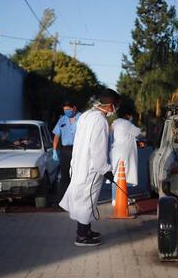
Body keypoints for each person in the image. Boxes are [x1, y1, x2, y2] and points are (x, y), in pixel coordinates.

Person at [59, 89, 120, 247]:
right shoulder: (100, 120)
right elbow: (97, 148)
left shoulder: (86, 115)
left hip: (80, 164)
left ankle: (86, 230)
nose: (115, 110)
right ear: (110, 105)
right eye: (115, 106)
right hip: (91, 168)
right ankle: (81, 236)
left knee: (84, 201)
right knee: (87, 201)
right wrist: (105, 169)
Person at [110, 107, 142, 206]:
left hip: (115, 152)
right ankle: (116, 199)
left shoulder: (115, 123)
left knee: (117, 175)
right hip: (123, 153)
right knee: (121, 176)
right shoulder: (126, 123)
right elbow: (137, 132)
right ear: (126, 115)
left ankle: (119, 197)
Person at [52, 101, 81, 194]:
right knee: (64, 175)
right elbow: (57, 135)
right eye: (64, 109)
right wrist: (54, 150)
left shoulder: (82, 118)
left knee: (77, 174)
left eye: (68, 109)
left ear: (74, 108)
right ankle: (64, 197)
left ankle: (76, 195)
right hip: (65, 150)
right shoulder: (62, 120)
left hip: (78, 150)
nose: (66, 111)